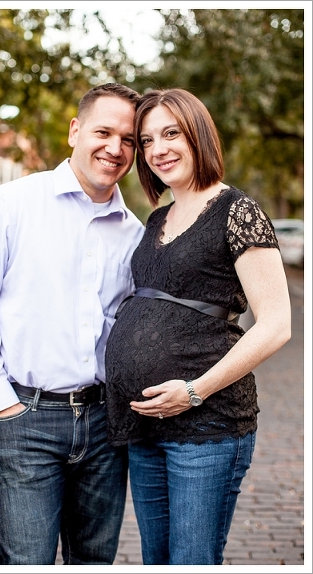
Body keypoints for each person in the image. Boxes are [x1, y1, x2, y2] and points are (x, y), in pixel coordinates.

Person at [0, 83, 145, 565]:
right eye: (103, 131)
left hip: (104, 425)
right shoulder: (11, 204)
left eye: (129, 139)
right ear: (75, 130)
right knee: (26, 561)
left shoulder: (135, 233)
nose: (114, 148)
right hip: (27, 419)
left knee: (94, 560)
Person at [104, 88, 291, 565]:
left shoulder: (238, 212)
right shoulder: (158, 217)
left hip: (206, 425)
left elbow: (275, 326)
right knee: (157, 558)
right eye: (147, 141)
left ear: (199, 135)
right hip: (145, 422)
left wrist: (193, 391)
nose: (158, 150)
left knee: (191, 560)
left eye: (172, 134)